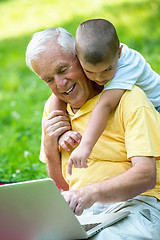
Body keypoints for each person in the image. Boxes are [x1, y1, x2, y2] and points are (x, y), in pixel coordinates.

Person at [25, 27, 160, 239]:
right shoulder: (55, 113)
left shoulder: (129, 98)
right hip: (84, 212)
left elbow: (146, 176)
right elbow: (65, 185)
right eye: (48, 79)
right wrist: (50, 146)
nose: (60, 84)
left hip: (136, 204)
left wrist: (90, 193)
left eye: (63, 69)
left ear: (80, 57)